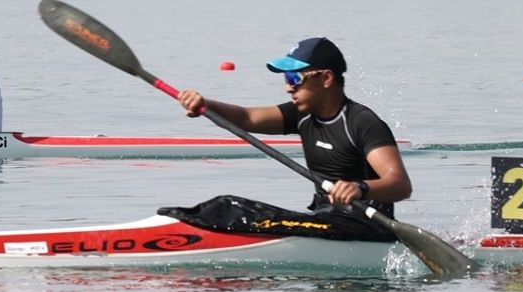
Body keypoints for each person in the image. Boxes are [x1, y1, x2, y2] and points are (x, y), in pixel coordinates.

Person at [165, 36, 411, 242]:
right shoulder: (301, 115)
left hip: (365, 227)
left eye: (295, 78)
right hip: (325, 220)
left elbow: (400, 184)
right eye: (286, 79)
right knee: (223, 207)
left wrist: (360, 188)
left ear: (326, 78)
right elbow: (246, 117)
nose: (288, 88)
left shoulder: (361, 122)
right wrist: (205, 104)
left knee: (229, 207)